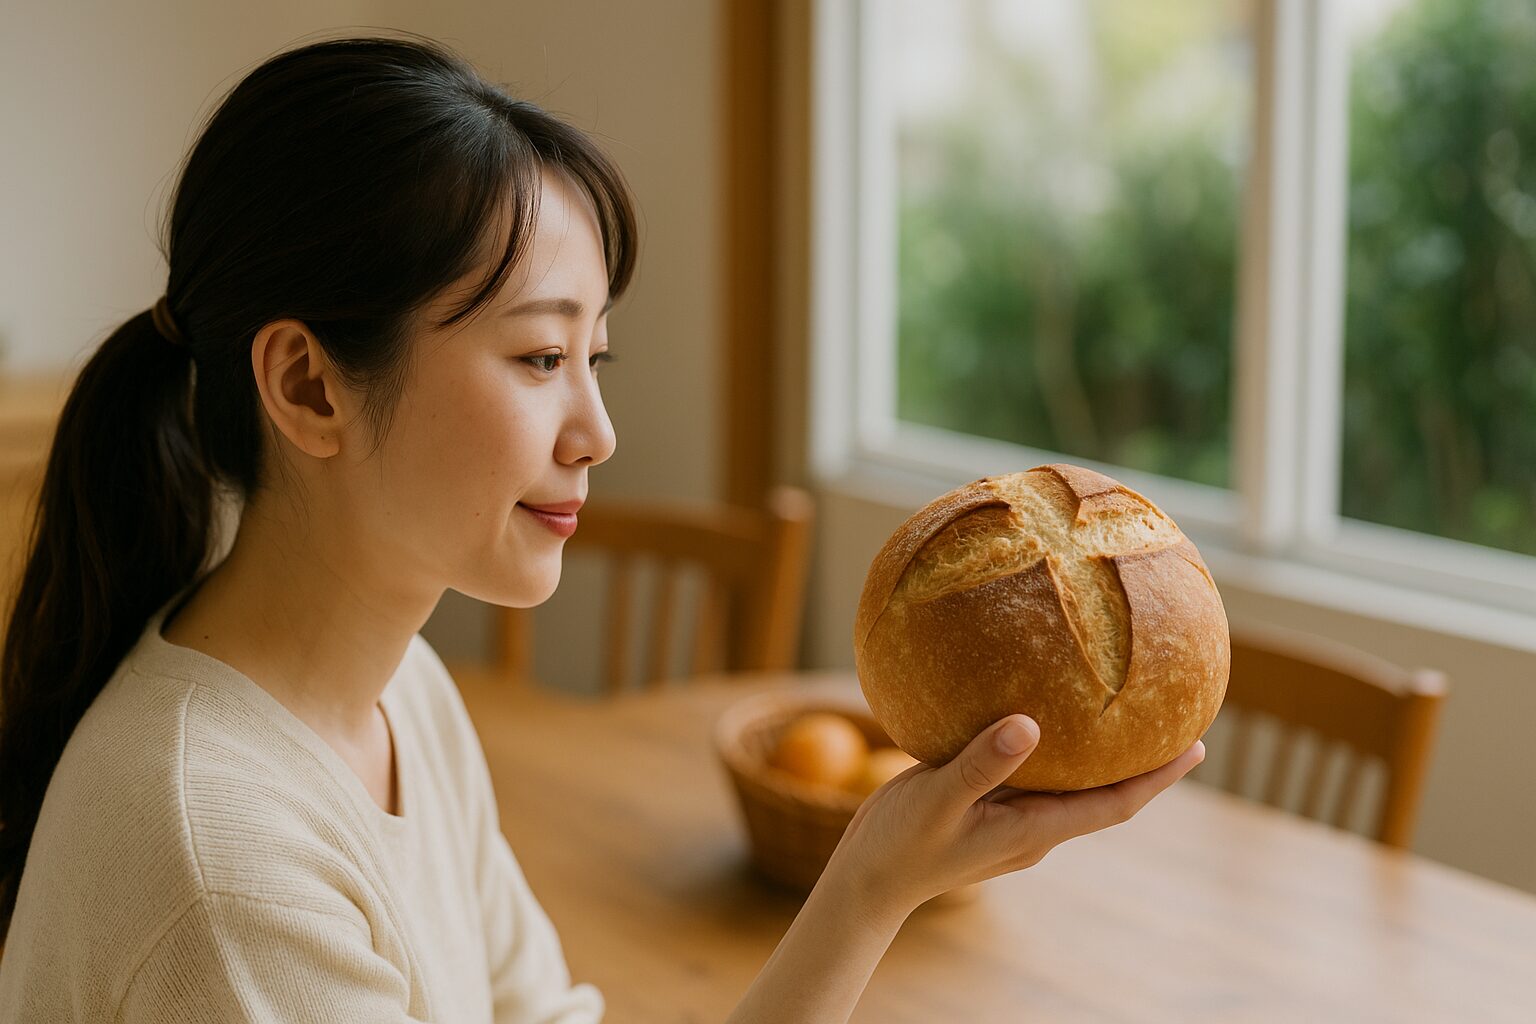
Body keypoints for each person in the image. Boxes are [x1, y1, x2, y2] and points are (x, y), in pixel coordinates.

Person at [0, 31, 1204, 1024]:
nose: (599, 430)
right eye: (538, 355)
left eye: (594, 356)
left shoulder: (399, 695)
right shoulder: (225, 865)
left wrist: (870, 885)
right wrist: (869, 891)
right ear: (310, 385)